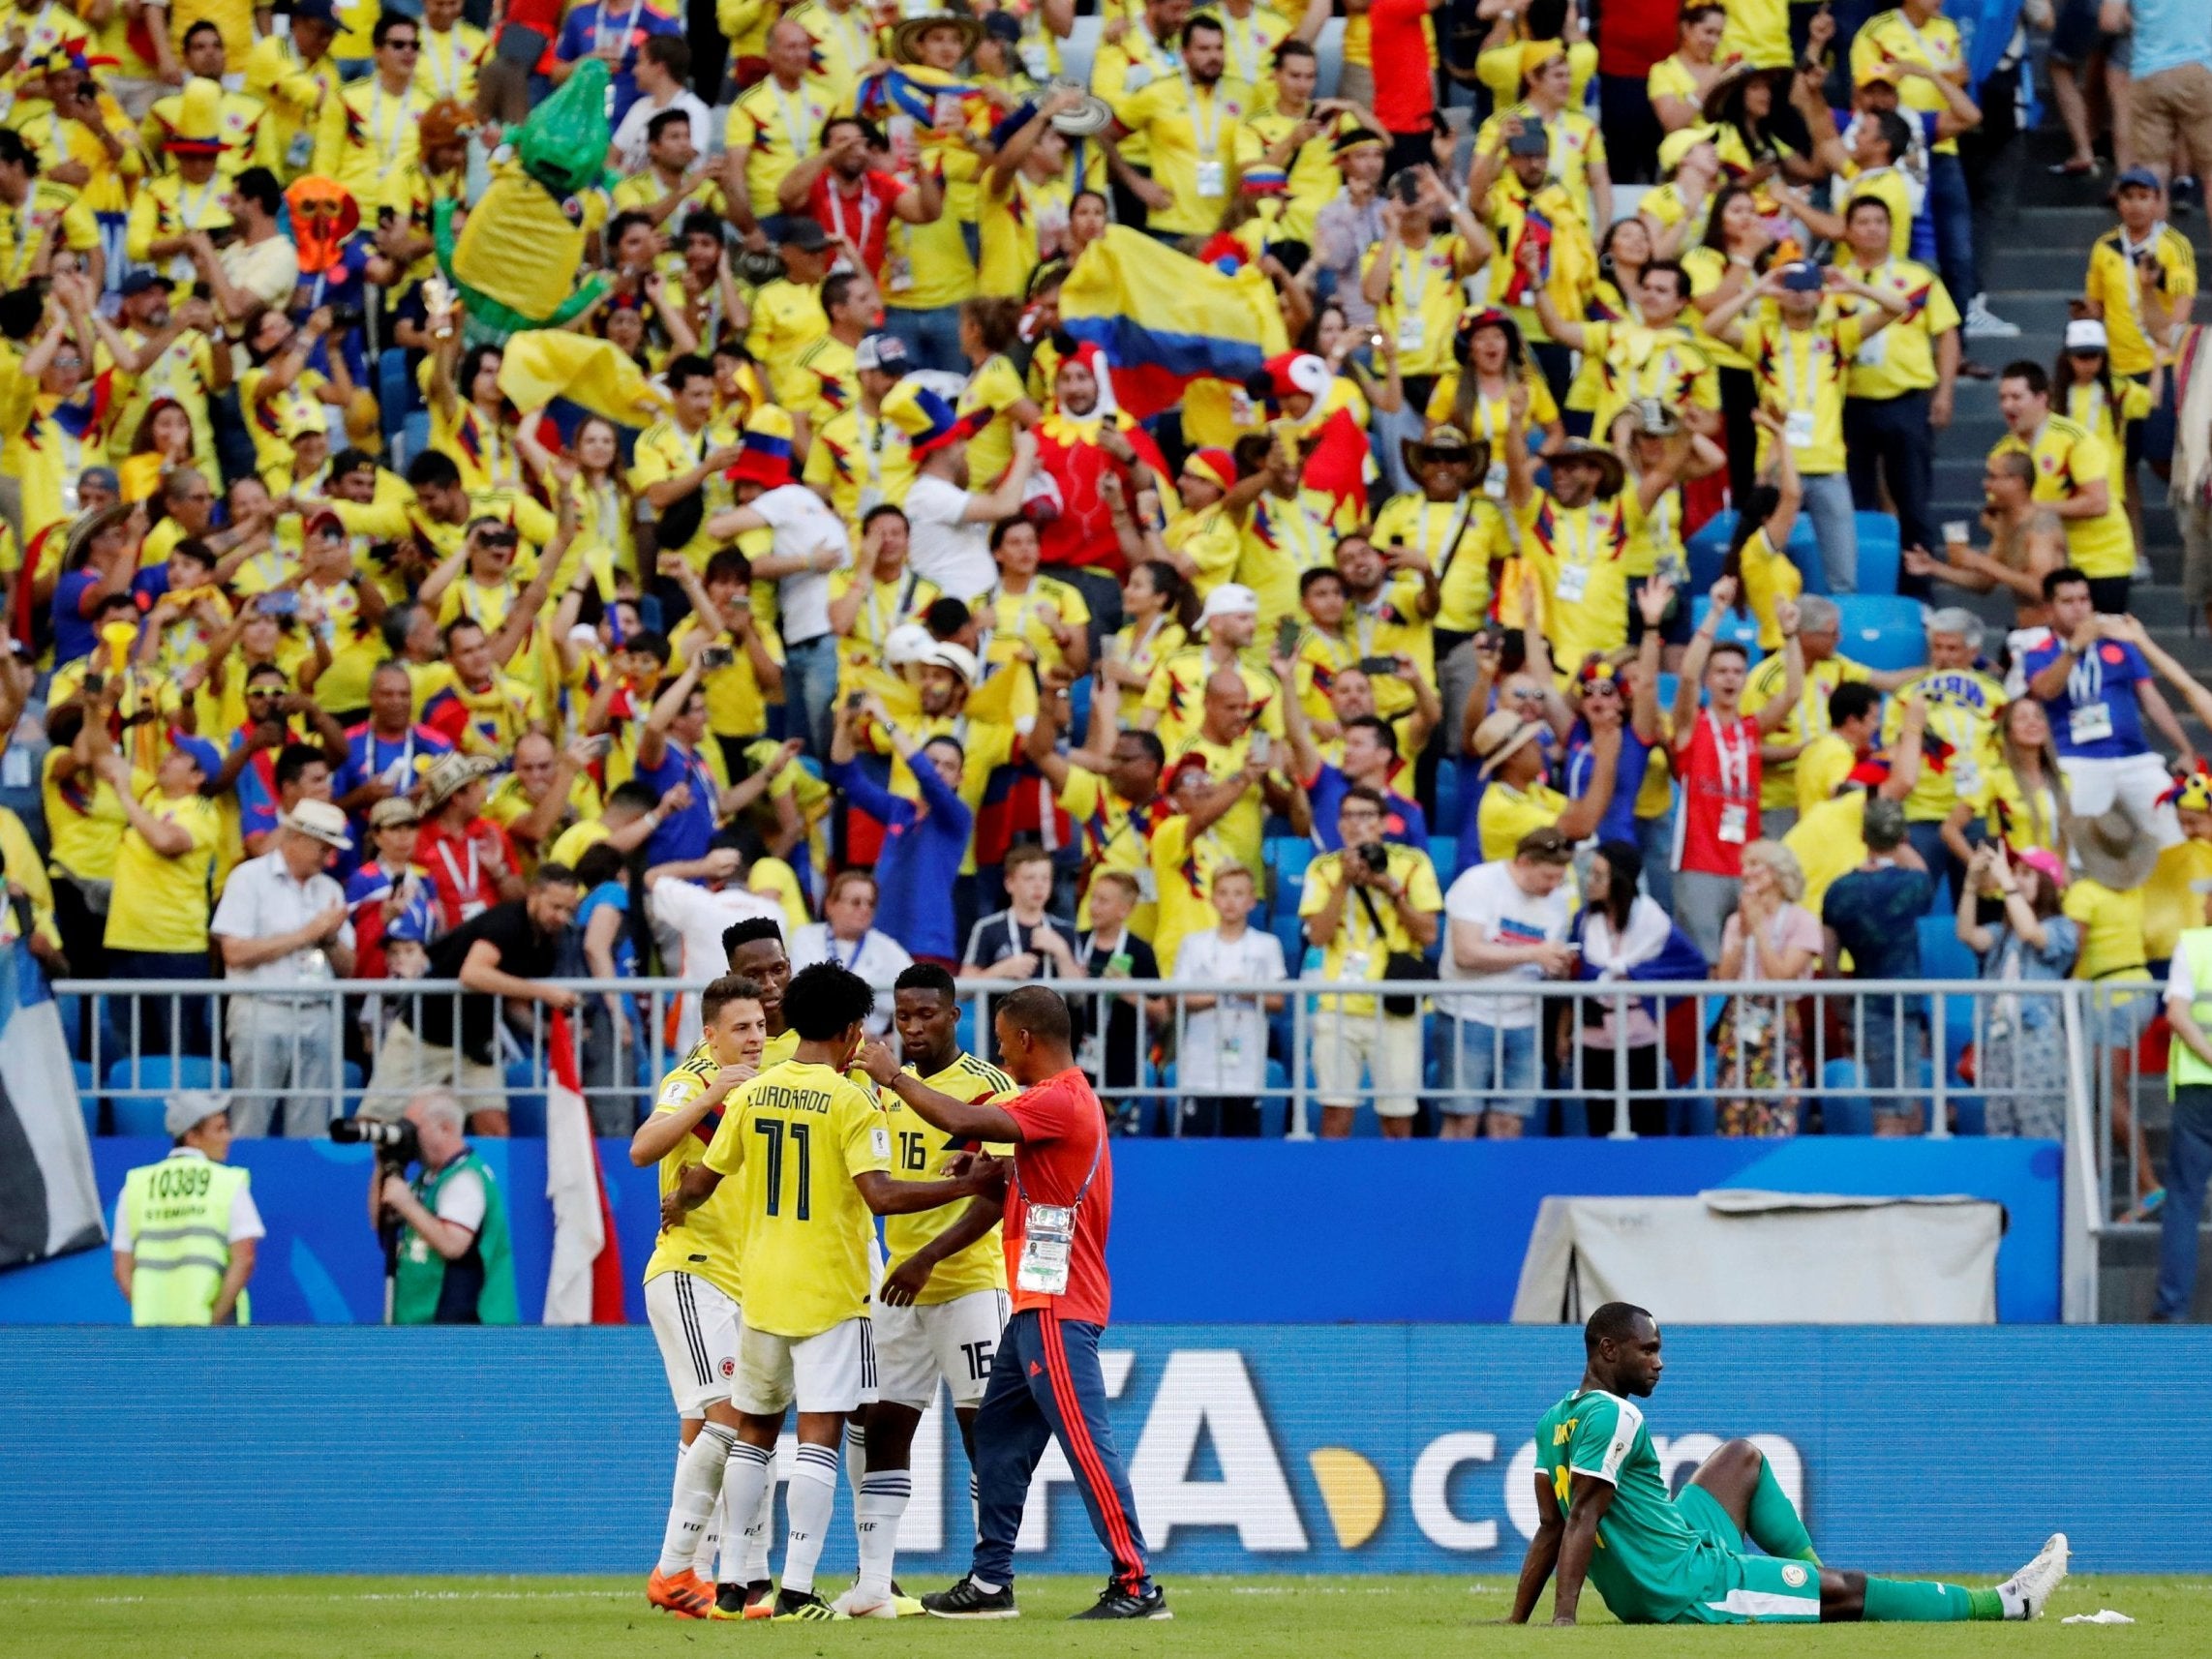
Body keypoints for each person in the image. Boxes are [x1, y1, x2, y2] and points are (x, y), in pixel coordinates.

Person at [668, 962, 985, 1622]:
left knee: (754, 1431)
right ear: (848, 1031)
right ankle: (800, 1586)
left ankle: (732, 1585)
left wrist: (677, 1202)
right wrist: (964, 1185)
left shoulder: (753, 1092)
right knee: (818, 1436)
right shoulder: (850, 1099)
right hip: (831, 1294)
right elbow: (883, 1194)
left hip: (759, 1287)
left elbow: (703, 1177)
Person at [859, 984, 1169, 1621]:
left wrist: (892, 1077)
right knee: (997, 1437)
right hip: (1034, 1303)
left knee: (1085, 1442)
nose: (998, 1051)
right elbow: (1019, 1158)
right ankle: (991, 1582)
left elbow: (962, 1120)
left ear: (1025, 1039)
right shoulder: (1057, 1101)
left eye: (1002, 1040)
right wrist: (997, 1173)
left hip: (1059, 1303)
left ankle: (1136, 1583)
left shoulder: (1059, 1099)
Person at [1510, 1301, 2071, 1624]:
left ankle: (1804, 1586)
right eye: (1649, 1350)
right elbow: (1579, 1519)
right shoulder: (1618, 1418)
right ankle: (2004, 1604)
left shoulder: (1552, 1421)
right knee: (1848, 1590)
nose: (1661, 1362)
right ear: (1610, 1350)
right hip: (1685, 1585)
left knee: (1742, 1457)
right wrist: (1564, 1619)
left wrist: (1516, 1622)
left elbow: (1550, 1528)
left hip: (1672, 1547)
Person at [854, 964, 1021, 1617]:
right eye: (903, 1016)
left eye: (926, 1014)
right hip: (900, 1286)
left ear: (954, 1016)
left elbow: (999, 1193)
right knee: (884, 1426)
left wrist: (925, 1256)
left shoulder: (989, 1087)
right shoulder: (874, 1088)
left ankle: (992, 1578)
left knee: (984, 1430)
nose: (914, 1027)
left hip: (968, 1285)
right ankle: (875, 1581)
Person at [634, 975, 771, 1620]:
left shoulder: (766, 1084)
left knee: (724, 1430)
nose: (754, 1037)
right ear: (710, 1035)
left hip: (744, 1284)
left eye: (760, 1026)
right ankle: (679, 1571)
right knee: (732, 1423)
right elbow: (643, 1148)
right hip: (692, 1271)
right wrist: (712, 1091)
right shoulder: (692, 1079)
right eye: (740, 1028)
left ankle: (716, 1576)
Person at [360, 865, 585, 1133]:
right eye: (555, 907)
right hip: (425, 1034)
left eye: (568, 910)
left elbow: (512, 999)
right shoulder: (505, 924)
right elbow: (473, 973)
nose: (561, 917)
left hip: (475, 1043)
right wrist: (545, 993)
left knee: (495, 1127)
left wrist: (547, 1031)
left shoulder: (548, 942)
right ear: (533, 893)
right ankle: (355, 1175)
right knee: (373, 1127)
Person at [1671, 579, 1805, 965]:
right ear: (1710, 680)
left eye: (1736, 672)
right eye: (1721, 672)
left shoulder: (1750, 729)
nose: (1730, 678)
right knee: (1707, 961)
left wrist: (1790, 634)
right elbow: (1685, 677)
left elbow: (1793, 692)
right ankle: (1706, 1029)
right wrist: (1714, 612)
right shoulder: (1690, 726)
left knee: (1750, 959)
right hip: (1698, 863)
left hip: (1748, 865)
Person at [1299, 783, 1443, 1139]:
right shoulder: (1322, 868)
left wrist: (1390, 890)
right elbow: (1317, 936)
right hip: (1338, 1003)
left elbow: (1428, 934)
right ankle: (1332, 1189)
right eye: (1348, 816)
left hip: (1393, 1006)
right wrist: (1343, 885)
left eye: (1365, 815)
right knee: (1335, 1113)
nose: (1356, 824)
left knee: (1397, 1117)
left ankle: (1399, 1190)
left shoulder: (1412, 864)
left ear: (1384, 823)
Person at [209, 798, 356, 1138]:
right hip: (261, 1010)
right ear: (297, 839)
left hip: (316, 1013)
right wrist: (306, 935)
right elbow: (234, 951)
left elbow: (348, 969)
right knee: (251, 1120)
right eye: (323, 848)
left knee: (312, 1125)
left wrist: (330, 940)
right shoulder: (248, 879)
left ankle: (303, 1191)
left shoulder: (330, 889)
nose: (329, 858)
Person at [2023, 572, 2194, 836]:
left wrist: (2185, 749)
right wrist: (2075, 646)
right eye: (2068, 601)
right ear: (2049, 610)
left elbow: (2152, 700)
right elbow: (2046, 690)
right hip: (2076, 760)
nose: (2079, 608)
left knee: (2173, 833)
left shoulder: (2119, 642)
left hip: (2135, 757)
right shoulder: (2039, 653)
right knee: (2075, 844)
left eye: (2084, 599)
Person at [1439, 825, 1576, 1140]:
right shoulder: (1479, 883)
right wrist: (1535, 953)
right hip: (1469, 1014)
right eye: (1547, 877)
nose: (1553, 887)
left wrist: (1556, 964)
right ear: (1524, 862)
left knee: (1510, 1122)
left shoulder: (1556, 902)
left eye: (1559, 878)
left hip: (1524, 1021)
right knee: (1463, 1119)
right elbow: (1466, 953)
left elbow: (1543, 961)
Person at [1823, 797, 1935, 1134]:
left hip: (1866, 1005)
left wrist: (1843, 1010)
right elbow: (1922, 870)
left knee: (1897, 1105)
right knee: (1896, 1111)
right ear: (1904, 838)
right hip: (1905, 1008)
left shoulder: (1838, 891)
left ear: (1862, 836)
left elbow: (1829, 961)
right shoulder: (1915, 884)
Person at [1956, 844, 2080, 1140]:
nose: (2017, 879)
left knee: (2039, 1120)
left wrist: (2006, 882)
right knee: (1999, 1123)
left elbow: (2032, 933)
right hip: (2000, 1039)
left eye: (2027, 874)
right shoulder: (2003, 933)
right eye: (2015, 873)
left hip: (2036, 1038)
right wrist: (1971, 883)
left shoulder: (2063, 928)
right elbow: (1967, 933)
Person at [112, 1092, 261, 1326]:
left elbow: (122, 1269)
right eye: (219, 1129)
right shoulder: (228, 1182)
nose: (228, 1137)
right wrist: (212, 1319)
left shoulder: (136, 1185)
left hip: (155, 1333)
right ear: (192, 1137)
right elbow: (245, 1259)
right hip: (215, 1330)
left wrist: (150, 1313)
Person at [374, 1090, 518, 1326]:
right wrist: (382, 1166)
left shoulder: (465, 1178)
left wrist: (407, 1204)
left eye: (414, 1130)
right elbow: (380, 1221)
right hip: (423, 1326)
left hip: (460, 1331)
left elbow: (453, 1245)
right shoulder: (429, 1178)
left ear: (446, 1129)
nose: (408, 1138)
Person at [1711, 839, 1823, 1137]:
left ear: (1776, 873)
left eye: (1754, 865)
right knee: (1732, 1115)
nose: (1745, 873)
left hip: (1778, 1021)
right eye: (1744, 866)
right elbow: (1724, 978)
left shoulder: (1802, 921)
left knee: (1774, 1114)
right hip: (1738, 1021)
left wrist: (1760, 929)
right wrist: (1742, 935)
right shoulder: (1736, 921)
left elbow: (1781, 976)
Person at [1168, 862, 1285, 1137]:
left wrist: (1248, 992)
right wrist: (1221, 993)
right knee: (1195, 1139)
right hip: (1200, 1060)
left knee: (1243, 1139)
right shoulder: (1193, 944)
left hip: (1247, 1060)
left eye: (1238, 893)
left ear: (1251, 900)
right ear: (1212, 898)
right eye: (1223, 893)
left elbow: (1278, 1001)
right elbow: (1178, 998)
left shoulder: (1267, 945)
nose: (1230, 901)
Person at [2158, 870, 2212, 1320]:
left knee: (2184, 1201)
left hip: (2199, 1091)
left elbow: (2177, 1013)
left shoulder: (2194, 945)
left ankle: (2172, 1312)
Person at [790, 872, 912, 1039]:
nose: (865, 909)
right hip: (812, 1039)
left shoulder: (888, 948)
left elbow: (919, 996)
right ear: (830, 905)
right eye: (856, 902)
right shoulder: (805, 937)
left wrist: (893, 1042)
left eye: (870, 903)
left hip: (866, 1048)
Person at [963, 844, 1084, 983]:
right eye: (1030, 878)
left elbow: (1080, 998)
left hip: (1052, 1005)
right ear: (1009, 883)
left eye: (1045, 878)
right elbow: (964, 988)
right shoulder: (987, 928)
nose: (1039, 885)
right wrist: (1002, 970)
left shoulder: (1066, 931)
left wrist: (1062, 953)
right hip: (1004, 1005)